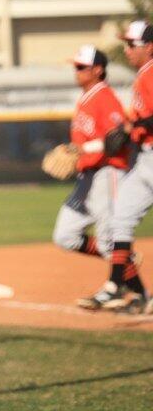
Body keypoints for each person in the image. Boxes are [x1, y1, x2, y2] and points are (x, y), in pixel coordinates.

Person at [43, 46, 129, 308]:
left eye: (81, 67)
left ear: (98, 70)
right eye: (76, 66)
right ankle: (125, 264)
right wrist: (75, 152)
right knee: (65, 235)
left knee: (108, 240)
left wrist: (84, 150)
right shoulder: (86, 97)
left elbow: (119, 139)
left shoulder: (105, 98)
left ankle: (128, 289)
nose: (76, 71)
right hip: (86, 178)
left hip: (106, 174)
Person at [84, 22, 153, 313]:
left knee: (119, 217)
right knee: (120, 218)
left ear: (149, 47)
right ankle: (116, 285)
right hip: (145, 158)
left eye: (132, 45)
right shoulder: (143, 75)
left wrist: (132, 126)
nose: (126, 50)